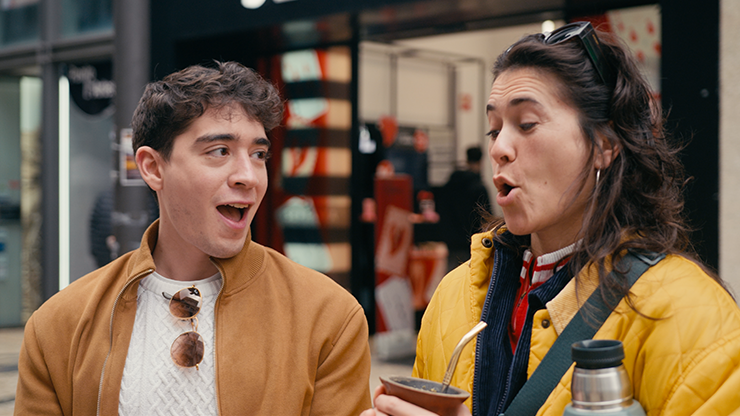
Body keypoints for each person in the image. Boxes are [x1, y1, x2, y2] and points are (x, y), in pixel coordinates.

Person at [363, 21, 740, 416]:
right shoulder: (453, 295)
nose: (500, 148)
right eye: (494, 130)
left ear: (604, 145)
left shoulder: (689, 313)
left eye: (526, 124)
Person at [15, 61, 372, 415]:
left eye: (258, 154)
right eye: (220, 151)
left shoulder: (328, 317)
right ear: (153, 167)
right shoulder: (57, 327)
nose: (249, 176)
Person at [439, 146, 491, 271]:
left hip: (451, 240)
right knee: (471, 276)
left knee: (451, 275)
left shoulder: (450, 185)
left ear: (467, 160)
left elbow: (441, 209)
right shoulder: (479, 188)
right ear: (481, 162)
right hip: (472, 242)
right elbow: (487, 218)